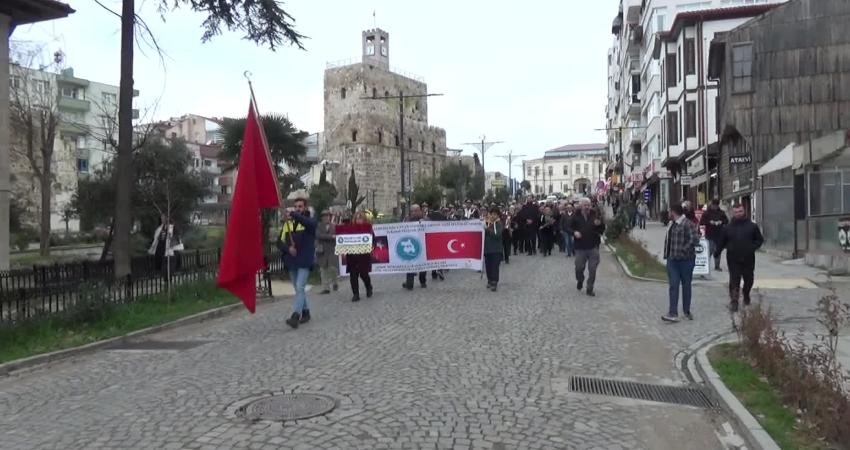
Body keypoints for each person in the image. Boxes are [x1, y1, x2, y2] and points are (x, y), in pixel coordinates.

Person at [714, 203, 764, 312]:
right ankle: (734, 301)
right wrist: (717, 252)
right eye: (736, 212)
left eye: (740, 211)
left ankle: (746, 294)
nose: (738, 214)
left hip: (748, 258)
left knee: (749, 280)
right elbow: (721, 242)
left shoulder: (752, 226)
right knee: (734, 280)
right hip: (733, 259)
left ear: (744, 211)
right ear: (732, 212)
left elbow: (759, 240)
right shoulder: (727, 228)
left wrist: (752, 247)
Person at [279, 198, 317, 329]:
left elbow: (308, 223)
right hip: (292, 261)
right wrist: (288, 248)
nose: (297, 208)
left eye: (300, 206)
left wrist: (294, 214)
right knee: (298, 289)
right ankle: (306, 312)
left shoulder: (310, 222)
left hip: (304, 260)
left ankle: (295, 316)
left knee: (300, 287)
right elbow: (280, 242)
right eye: (295, 207)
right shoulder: (287, 224)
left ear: (305, 208)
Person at [661, 204, 700, 323]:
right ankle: (673, 313)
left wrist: (684, 249)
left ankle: (686, 311)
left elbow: (695, 239)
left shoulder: (687, 224)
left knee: (686, 285)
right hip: (672, 260)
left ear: (673, 212)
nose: (668, 214)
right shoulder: (671, 224)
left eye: (669, 211)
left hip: (686, 261)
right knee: (673, 285)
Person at [568, 198, 606, 296]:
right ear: (580, 206)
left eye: (588, 205)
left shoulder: (595, 214)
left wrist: (599, 226)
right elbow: (568, 227)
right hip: (580, 247)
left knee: (592, 269)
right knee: (579, 268)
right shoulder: (575, 215)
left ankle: (590, 288)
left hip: (593, 246)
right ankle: (580, 280)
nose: (587, 207)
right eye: (585, 205)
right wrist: (574, 232)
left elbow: (602, 227)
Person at [345, 211, 374, 302]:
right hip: (352, 255)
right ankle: (356, 294)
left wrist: (370, 245)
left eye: (360, 218)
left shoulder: (368, 228)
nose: (358, 220)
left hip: (363, 255)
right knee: (353, 275)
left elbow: (372, 239)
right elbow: (345, 239)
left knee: (364, 274)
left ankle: (368, 287)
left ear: (364, 219)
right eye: (357, 218)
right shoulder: (350, 228)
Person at [403, 204, 428, 290]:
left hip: (422, 245)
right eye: (412, 211)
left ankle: (423, 281)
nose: (414, 213)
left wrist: (424, 223)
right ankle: (409, 283)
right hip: (411, 245)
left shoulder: (425, 219)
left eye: (416, 211)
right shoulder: (407, 220)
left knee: (422, 264)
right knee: (410, 263)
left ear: (420, 211)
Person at [700, 198, 729, 272]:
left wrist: (721, 222)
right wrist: (710, 222)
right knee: (709, 250)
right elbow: (702, 222)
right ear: (711, 205)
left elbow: (726, 221)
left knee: (718, 250)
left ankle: (717, 266)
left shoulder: (721, 212)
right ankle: (705, 266)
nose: (715, 207)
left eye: (716, 206)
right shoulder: (706, 213)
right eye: (713, 205)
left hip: (719, 234)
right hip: (710, 234)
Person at [315, 211, 339, 294]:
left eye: (327, 216)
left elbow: (337, 236)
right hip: (322, 250)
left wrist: (333, 237)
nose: (325, 218)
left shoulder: (334, 226)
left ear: (330, 217)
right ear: (321, 218)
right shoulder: (319, 226)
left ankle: (335, 282)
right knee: (323, 269)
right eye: (324, 216)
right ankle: (326, 288)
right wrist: (331, 237)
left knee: (333, 268)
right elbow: (319, 235)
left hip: (332, 250)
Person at [483, 206, 504, 291]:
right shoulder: (487, 223)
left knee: (495, 266)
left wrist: (487, 229)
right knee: (488, 266)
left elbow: (497, 235)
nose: (493, 216)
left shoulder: (499, 224)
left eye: (495, 214)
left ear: (498, 215)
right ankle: (489, 280)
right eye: (491, 214)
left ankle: (494, 282)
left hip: (496, 249)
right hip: (488, 249)